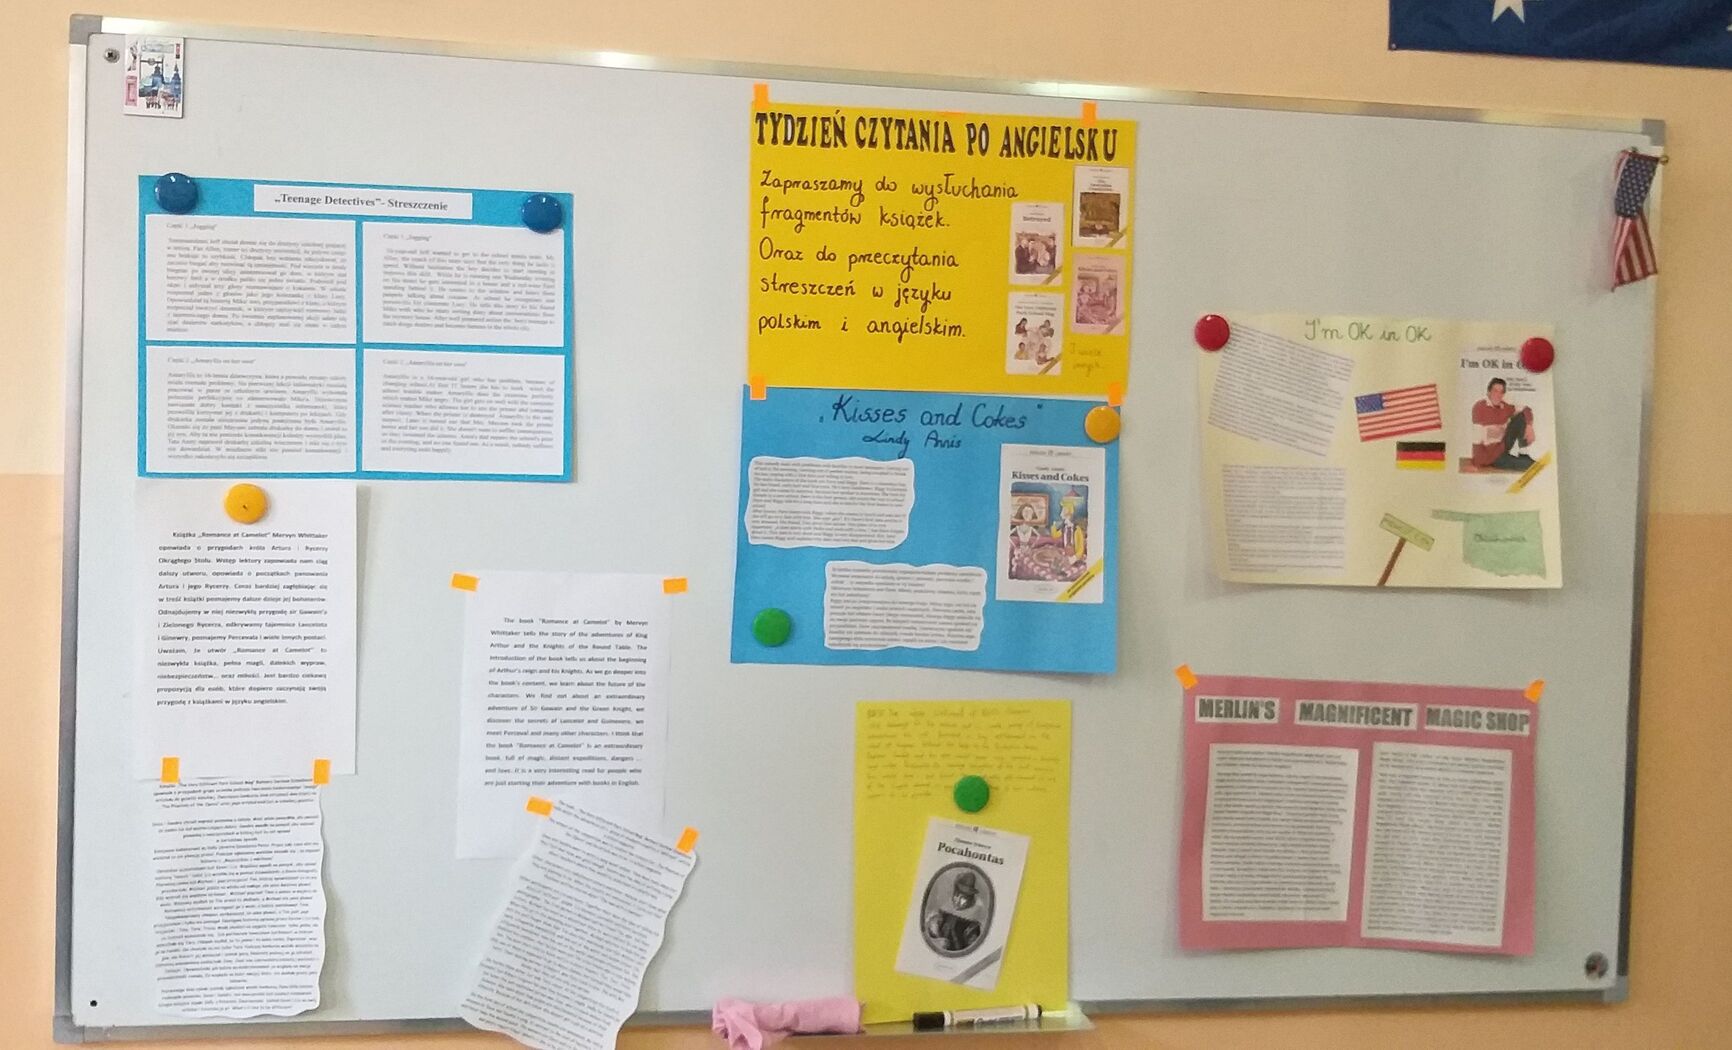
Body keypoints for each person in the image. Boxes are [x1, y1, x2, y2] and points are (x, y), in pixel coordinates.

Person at [1471, 378, 1536, 471]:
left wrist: (1529, 426)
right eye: (1495, 391)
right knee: (1532, 466)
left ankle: (1523, 453)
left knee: (1521, 416)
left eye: (1501, 392)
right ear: (1488, 392)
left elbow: (1526, 409)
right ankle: (1519, 461)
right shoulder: (1479, 407)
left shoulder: (1504, 407)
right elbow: (1476, 436)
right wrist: (1477, 464)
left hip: (1503, 446)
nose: (1498, 395)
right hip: (1492, 456)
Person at [924, 871, 987, 953]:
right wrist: (935, 935)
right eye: (957, 894)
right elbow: (930, 935)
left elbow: (971, 951)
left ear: (970, 898)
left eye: (964, 897)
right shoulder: (944, 912)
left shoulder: (972, 924)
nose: (958, 900)